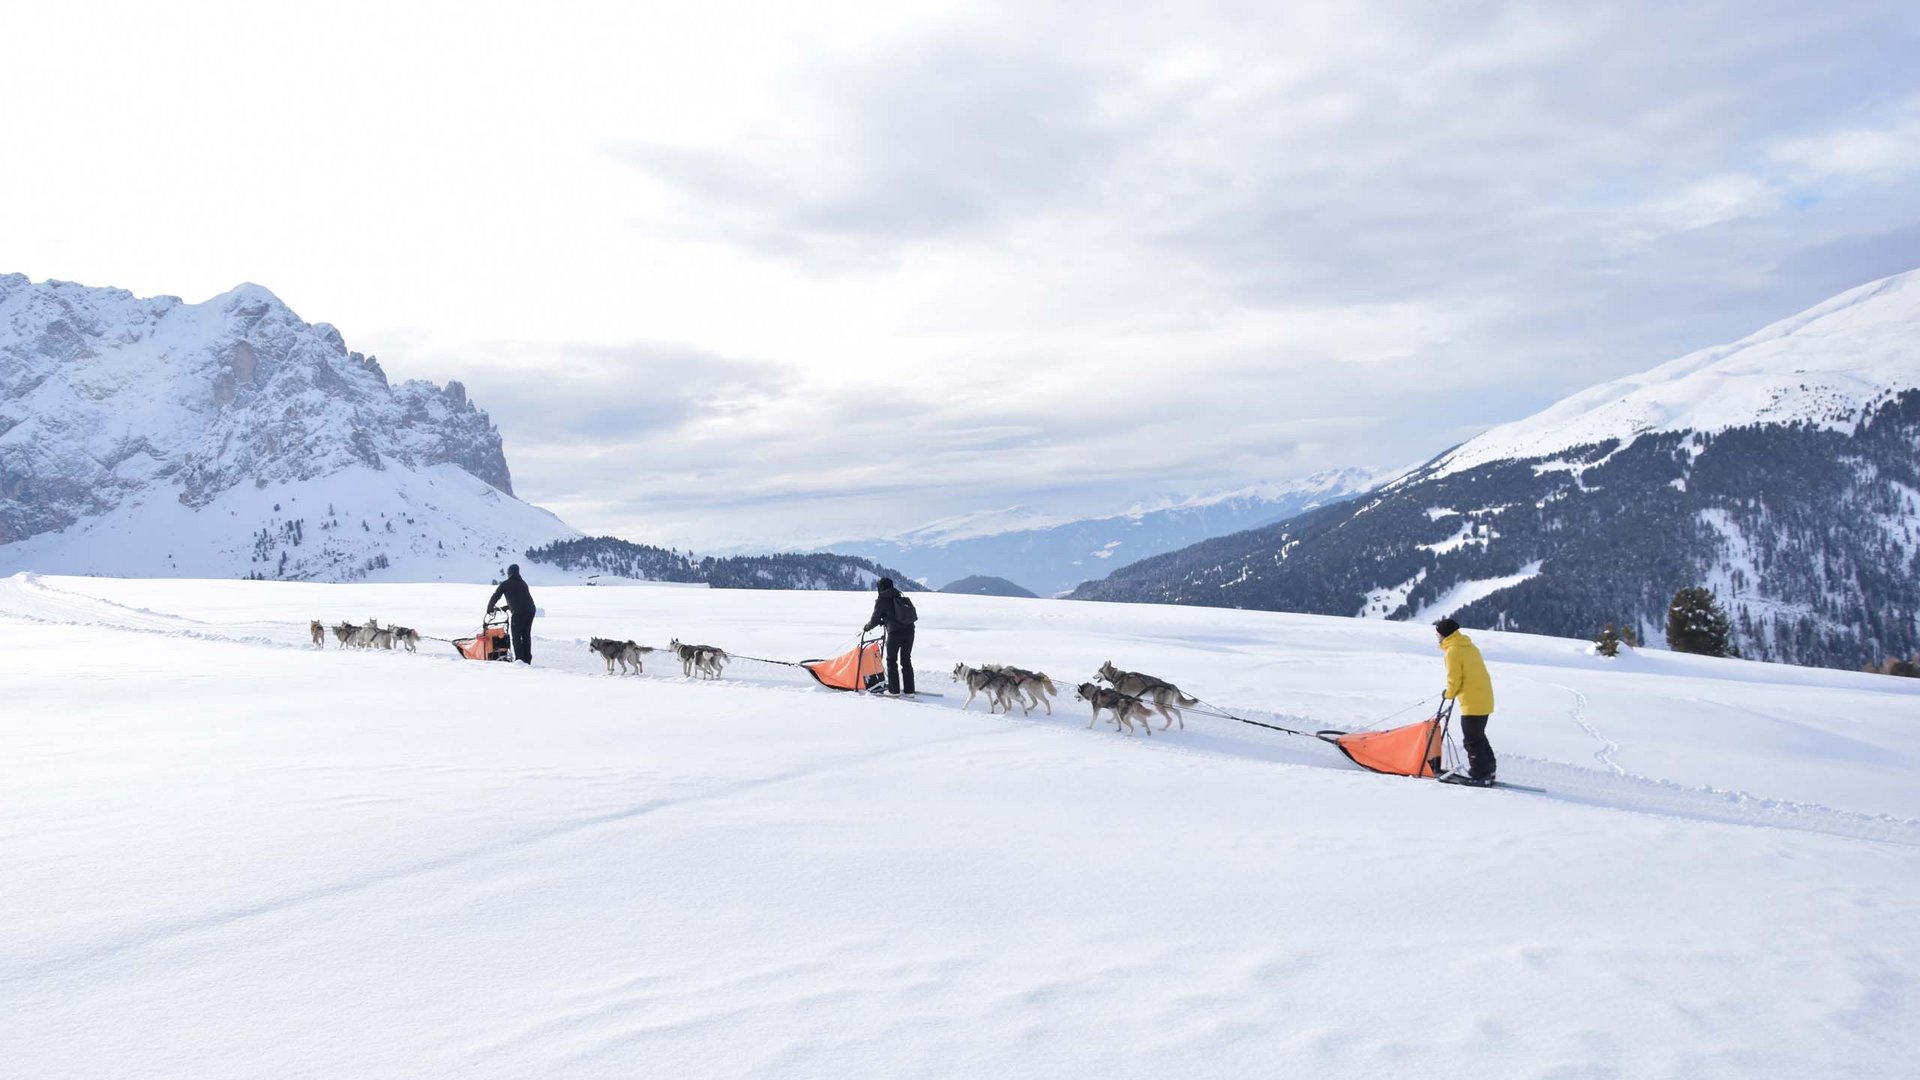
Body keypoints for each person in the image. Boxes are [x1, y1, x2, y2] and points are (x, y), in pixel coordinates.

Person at [1434, 617, 1495, 783]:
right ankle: (1489, 769)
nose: (1436, 636)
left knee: (1471, 740)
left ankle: (1479, 774)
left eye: (1438, 633)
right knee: (1478, 736)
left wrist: (1448, 694)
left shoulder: (1453, 651)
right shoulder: (1469, 646)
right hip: (1484, 698)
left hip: (1472, 701)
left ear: (1445, 635)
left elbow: (1454, 679)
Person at [863, 577, 916, 695]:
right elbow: (896, 613)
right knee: (906, 659)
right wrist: (885, 620)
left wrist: (867, 627)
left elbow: (875, 619)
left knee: (891, 660)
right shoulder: (898, 594)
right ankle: (909, 690)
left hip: (895, 633)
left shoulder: (882, 599)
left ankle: (894, 690)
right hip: (910, 631)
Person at [487, 564, 536, 664]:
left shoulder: (506, 584)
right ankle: (527, 659)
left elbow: (495, 596)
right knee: (526, 635)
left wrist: (489, 609)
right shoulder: (523, 583)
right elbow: (521, 599)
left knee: (516, 636)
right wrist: (508, 607)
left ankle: (520, 660)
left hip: (519, 613)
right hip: (530, 611)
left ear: (509, 573)